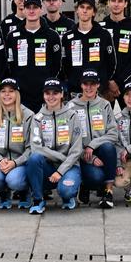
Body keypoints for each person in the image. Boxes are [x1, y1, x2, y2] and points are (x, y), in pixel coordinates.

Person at [26, 78, 83, 214]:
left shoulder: (72, 116)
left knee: (66, 190)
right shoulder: (37, 118)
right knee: (34, 158)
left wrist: (61, 170)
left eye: (55, 93)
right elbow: (36, 147)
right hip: (49, 166)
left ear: (62, 94)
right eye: (48, 93)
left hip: (69, 165)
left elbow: (76, 150)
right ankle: (38, 200)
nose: (51, 97)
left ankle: (68, 196)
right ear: (43, 95)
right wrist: (60, 157)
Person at [68, 69, 120, 207]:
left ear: (98, 85)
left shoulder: (105, 104)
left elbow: (113, 133)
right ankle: (84, 184)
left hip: (100, 150)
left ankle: (108, 191)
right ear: (81, 85)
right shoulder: (71, 107)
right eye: (86, 84)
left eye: (93, 84)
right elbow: (68, 139)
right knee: (96, 177)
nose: (89, 87)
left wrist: (93, 144)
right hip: (81, 154)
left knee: (109, 147)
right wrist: (88, 155)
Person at [6, 0, 64, 112]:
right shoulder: (13, 36)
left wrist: (48, 84)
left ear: (41, 10)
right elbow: (9, 64)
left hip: (45, 93)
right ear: (24, 9)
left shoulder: (52, 35)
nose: (31, 11)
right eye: (28, 7)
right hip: (21, 93)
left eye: (35, 7)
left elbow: (57, 64)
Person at [0, 78, 34, 209]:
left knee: (14, 180)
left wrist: (15, 163)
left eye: (11, 91)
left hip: (21, 163)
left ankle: (24, 191)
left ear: (17, 94)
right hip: (0, 162)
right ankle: (4, 192)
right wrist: (0, 161)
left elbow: (32, 149)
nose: (7, 94)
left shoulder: (28, 116)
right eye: (3, 91)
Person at [61, 0, 116, 92]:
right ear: (77, 10)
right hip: (76, 91)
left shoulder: (104, 34)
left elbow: (111, 62)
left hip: (99, 90)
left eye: (88, 8)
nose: (85, 11)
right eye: (82, 7)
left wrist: (104, 82)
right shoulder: (67, 37)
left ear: (94, 12)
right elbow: (65, 64)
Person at [103, 0, 131, 102]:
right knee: (101, 119)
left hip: (127, 83)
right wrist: (109, 81)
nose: (116, 4)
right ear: (108, 3)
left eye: (120, 1)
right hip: (105, 85)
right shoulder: (101, 27)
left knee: (129, 119)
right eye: (113, 1)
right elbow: (100, 58)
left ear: (125, 4)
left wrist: (117, 81)